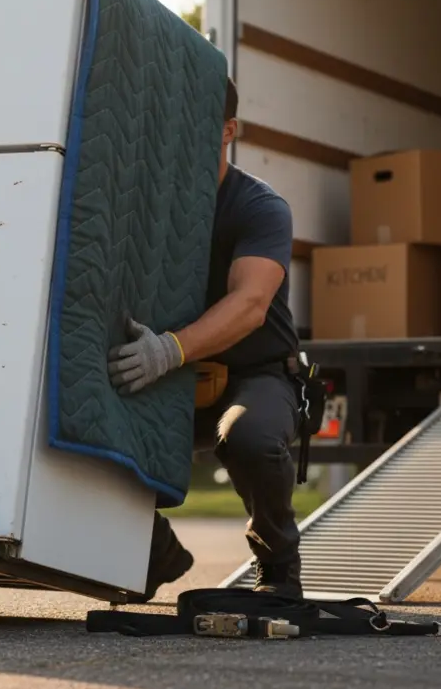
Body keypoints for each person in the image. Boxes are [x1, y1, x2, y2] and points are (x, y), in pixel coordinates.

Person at [108, 77, 303, 600]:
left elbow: (250, 305)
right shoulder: (147, 200)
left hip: (255, 372)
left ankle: (279, 569)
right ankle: (154, 553)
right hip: (167, 372)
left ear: (228, 130)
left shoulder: (260, 206)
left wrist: (170, 349)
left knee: (249, 436)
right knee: (88, 423)